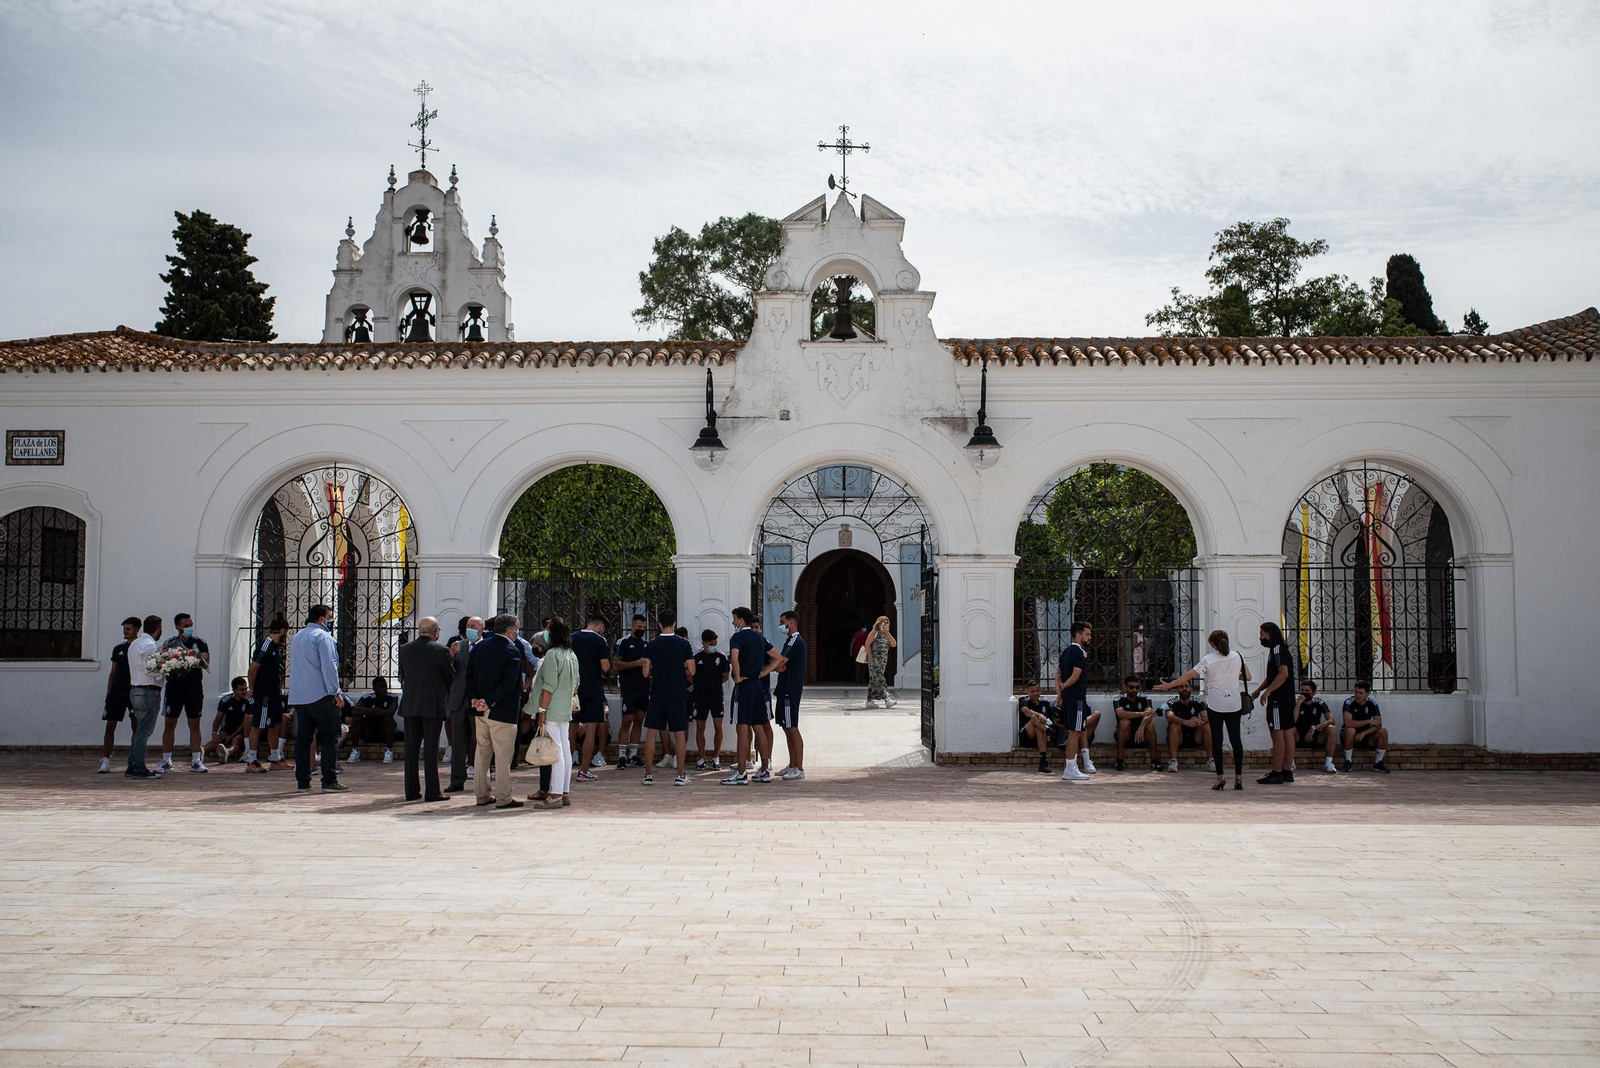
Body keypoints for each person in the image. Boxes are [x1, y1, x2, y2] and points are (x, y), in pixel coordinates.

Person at [1156, 629, 1250, 792]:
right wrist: (1232, 675)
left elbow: (1188, 676)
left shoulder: (1209, 659)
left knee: (1217, 739)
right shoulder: (1238, 656)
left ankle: (1220, 778)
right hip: (1234, 702)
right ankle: (1239, 778)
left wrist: (1168, 686)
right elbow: (1247, 677)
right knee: (1236, 739)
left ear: (1213, 644)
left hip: (1216, 703)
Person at [289, 604, 349, 793]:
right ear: (322, 619)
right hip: (321, 694)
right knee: (330, 737)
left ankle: (302, 781)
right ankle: (329, 779)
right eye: (330, 617)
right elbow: (329, 667)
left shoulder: (297, 637)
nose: (331, 621)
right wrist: (336, 692)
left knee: (303, 739)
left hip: (300, 696)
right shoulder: (324, 637)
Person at [469, 612, 526, 808]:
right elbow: (509, 683)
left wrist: (476, 699)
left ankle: (481, 795)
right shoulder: (512, 650)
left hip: (480, 709)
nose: (516, 634)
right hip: (502, 711)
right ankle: (504, 797)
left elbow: (469, 676)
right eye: (516, 630)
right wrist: (489, 701)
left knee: (482, 753)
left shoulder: (479, 646)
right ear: (510, 631)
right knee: (503, 757)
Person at [398, 616, 455, 802]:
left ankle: (411, 791)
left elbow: (404, 675)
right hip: (432, 705)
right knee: (430, 750)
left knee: (411, 750)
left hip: (410, 704)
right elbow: (450, 678)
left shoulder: (405, 649)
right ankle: (432, 791)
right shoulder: (441, 650)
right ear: (436, 632)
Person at [722, 606, 780, 786]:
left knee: (742, 727)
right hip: (757, 685)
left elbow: (734, 657)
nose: (732, 622)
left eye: (734, 619)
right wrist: (763, 673)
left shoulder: (737, 637)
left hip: (745, 686)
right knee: (759, 726)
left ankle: (740, 772)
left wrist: (737, 677)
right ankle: (764, 770)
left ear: (740, 620)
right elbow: (777, 657)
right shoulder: (759, 637)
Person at [527, 618, 578, 808]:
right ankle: (564, 792)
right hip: (565, 708)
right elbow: (575, 684)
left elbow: (548, 686)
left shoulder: (552, 655)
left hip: (552, 709)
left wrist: (542, 710)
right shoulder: (571, 654)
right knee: (564, 750)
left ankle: (555, 795)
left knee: (556, 753)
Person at [640, 611, 695, 786]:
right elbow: (692, 671)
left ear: (659, 624)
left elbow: (645, 672)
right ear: (675, 623)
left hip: (657, 692)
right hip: (677, 693)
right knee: (679, 733)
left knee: (651, 733)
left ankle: (648, 774)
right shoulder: (683, 644)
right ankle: (680, 775)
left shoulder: (651, 645)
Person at [157, 612, 210, 773]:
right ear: (177, 627)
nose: (189, 628)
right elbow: (162, 661)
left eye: (191, 625)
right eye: (186, 626)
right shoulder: (170, 643)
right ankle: (166, 760)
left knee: (194, 722)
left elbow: (206, 661)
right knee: (170, 723)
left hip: (193, 688)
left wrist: (200, 658)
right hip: (174, 688)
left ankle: (196, 760)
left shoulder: (200, 642)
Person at [1251, 621, 1297, 785]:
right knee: (1287, 733)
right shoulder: (1280, 650)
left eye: (1262, 634)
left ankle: (1277, 771)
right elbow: (1274, 675)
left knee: (1278, 735)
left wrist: (1269, 692)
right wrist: (1259, 690)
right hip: (1288, 699)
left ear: (1269, 634)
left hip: (1279, 700)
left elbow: (1283, 674)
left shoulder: (1277, 650)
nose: (1260, 637)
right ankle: (1287, 770)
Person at [570, 615, 612, 782]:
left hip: (574, 688)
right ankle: (584, 770)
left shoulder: (572, 638)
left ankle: (571, 758)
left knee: (572, 727)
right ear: (601, 627)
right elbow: (605, 666)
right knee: (591, 729)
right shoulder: (600, 641)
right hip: (593, 689)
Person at [245, 616, 289, 773]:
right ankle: (251, 760)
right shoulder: (266, 646)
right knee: (258, 725)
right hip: (263, 693)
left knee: (275, 725)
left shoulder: (275, 647)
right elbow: (253, 668)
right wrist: (252, 688)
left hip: (273, 693)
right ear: (283, 630)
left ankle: (275, 758)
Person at [444, 616, 483, 792]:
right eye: (468, 626)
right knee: (458, 740)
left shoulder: (486, 647)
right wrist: (450, 656)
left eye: (473, 626)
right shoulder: (459, 646)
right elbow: (448, 672)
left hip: (478, 700)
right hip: (459, 699)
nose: (470, 628)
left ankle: (481, 778)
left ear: (481, 629)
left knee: (479, 740)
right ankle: (457, 779)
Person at [123, 614, 165, 779]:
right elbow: (152, 669)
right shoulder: (149, 646)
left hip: (136, 688)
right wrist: (165, 669)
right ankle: (138, 767)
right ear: (157, 629)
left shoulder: (135, 644)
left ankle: (132, 765)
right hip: (147, 691)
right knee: (143, 731)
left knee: (139, 730)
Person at [99, 616, 141, 773]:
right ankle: (105, 760)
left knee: (136, 726)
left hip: (134, 691)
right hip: (117, 692)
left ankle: (134, 759)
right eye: (124, 628)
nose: (125, 631)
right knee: (110, 725)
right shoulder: (118, 649)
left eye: (128, 629)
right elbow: (113, 672)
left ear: (137, 630)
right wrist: (109, 692)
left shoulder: (140, 648)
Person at [1057, 622, 1098, 781]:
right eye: (1087, 634)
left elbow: (1057, 675)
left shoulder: (1065, 652)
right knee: (1075, 732)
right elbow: (1074, 676)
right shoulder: (1078, 653)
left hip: (1068, 697)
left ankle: (1071, 767)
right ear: (1078, 635)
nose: (1090, 637)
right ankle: (1070, 768)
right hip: (1076, 697)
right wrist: (1065, 686)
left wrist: (1060, 695)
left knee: (1075, 731)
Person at [613, 614, 650, 769]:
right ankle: (622, 756)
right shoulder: (623, 643)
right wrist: (636, 663)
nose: (641, 630)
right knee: (627, 720)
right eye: (638, 627)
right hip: (628, 688)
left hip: (643, 688)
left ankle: (633, 755)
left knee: (639, 720)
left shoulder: (647, 645)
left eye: (643, 627)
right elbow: (616, 665)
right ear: (632, 626)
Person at [773, 610, 807, 780]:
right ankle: (792, 764)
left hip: (790, 691)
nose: (780, 625)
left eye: (782, 622)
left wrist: (765, 671)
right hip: (784, 689)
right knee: (786, 728)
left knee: (792, 727)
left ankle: (799, 768)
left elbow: (781, 662)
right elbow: (781, 664)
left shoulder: (796, 641)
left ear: (790, 623)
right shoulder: (789, 641)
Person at [691, 630, 729, 771]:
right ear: (703, 643)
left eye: (715, 643)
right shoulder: (696, 657)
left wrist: (715, 684)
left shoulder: (721, 657)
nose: (713, 645)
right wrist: (698, 686)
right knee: (700, 727)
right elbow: (689, 674)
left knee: (718, 726)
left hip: (716, 696)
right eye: (710, 643)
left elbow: (725, 676)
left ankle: (716, 757)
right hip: (700, 696)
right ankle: (701, 758)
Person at [1112, 674, 1160, 771]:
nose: (1134, 690)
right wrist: (1141, 713)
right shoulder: (1119, 699)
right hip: (1126, 736)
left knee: (1150, 725)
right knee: (1124, 723)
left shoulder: (1145, 698)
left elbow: (1149, 714)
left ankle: (1155, 760)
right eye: (1131, 687)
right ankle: (1120, 760)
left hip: (1141, 736)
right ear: (1125, 687)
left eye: (1137, 687)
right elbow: (1121, 714)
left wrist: (1141, 727)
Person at [1162, 681, 1213, 773]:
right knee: (1174, 725)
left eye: (1186, 686)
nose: (1184, 688)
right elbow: (1169, 716)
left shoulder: (1198, 701)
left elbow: (1206, 717)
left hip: (1195, 737)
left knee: (1207, 725)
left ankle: (1211, 760)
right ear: (1177, 689)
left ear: (1191, 688)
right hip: (1179, 738)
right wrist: (1185, 722)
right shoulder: (1172, 702)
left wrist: (1200, 721)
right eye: (1181, 686)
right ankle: (1173, 761)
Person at [344, 677, 398, 763]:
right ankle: (355, 750)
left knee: (388, 719)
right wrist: (374, 710)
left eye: (385, 686)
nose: (384, 689)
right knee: (357, 718)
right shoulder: (367, 697)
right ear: (374, 689)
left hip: (384, 731)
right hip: (369, 730)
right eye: (381, 687)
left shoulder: (392, 697)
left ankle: (389, 750)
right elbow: (354, 710)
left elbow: (391, 711)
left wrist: (368, 711)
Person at [1341, 683, 1391, 773]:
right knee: (1350, 730)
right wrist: (1368, 721)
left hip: (1366, 735)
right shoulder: (1349, 702)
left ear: (1367, 694)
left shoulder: (1372, 703)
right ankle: (1348, 761)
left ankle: (1378, 763)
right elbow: (1348, 723)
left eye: (1361, 693)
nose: (1357, 695)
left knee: (1383, 731)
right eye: (1356, 692)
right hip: (1351, 735)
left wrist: (1363, 733)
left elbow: (1378, 724)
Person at [1293, 680, 1338, 774]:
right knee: (1290, 729)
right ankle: (1291, 762)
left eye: (1307, 691)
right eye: (1302, 690)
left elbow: (1331, 720)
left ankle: (1329, 763)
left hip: (1315, 736)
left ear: (1313, 693)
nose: (1304, 692)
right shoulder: (1296, 703)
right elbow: (1292, 721)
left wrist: (1315, 728)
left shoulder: (1319, 703)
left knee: (1331, 728)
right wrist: (1298, 704)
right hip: (1298, 737)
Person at [206, 676, 253, 764]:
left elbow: (245, 722)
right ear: (234, 690)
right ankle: (202, 752)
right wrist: (214, 732)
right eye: (241, 690)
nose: (245, 692)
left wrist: (231, 736)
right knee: (218, 739)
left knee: (236, 740)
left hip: (241, 731)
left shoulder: (249, 701)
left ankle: (227, 752)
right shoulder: (225, 700)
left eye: (246, 689)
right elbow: (218, 718)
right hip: (228, 728)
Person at [1016, 682, 1055, 774]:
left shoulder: (1045, 702)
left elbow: (1050, 720)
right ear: (1027, 692)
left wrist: (1045, 721)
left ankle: (1043, 762)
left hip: (1041, 736)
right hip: (1027, 735)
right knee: (1034, 718)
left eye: (1037, 690)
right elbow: (1026, 712)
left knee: (1039, 728)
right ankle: (1050, 733)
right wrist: (1039, 714)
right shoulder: (1023, 700)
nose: (1035, 693)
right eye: (1032, 691)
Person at [865, 615, 897, 708]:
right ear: (879, 624)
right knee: (880, 679)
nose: (886, 624)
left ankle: (869, 701)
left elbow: (894, 644)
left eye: (887, 623)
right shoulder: (874, 633)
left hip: (883, 661)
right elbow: (867, 645)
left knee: (874, 680)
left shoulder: (887, 635)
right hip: (874, 660)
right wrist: (870, 659)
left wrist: (888, 632)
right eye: (884, 623)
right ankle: (887, 699)